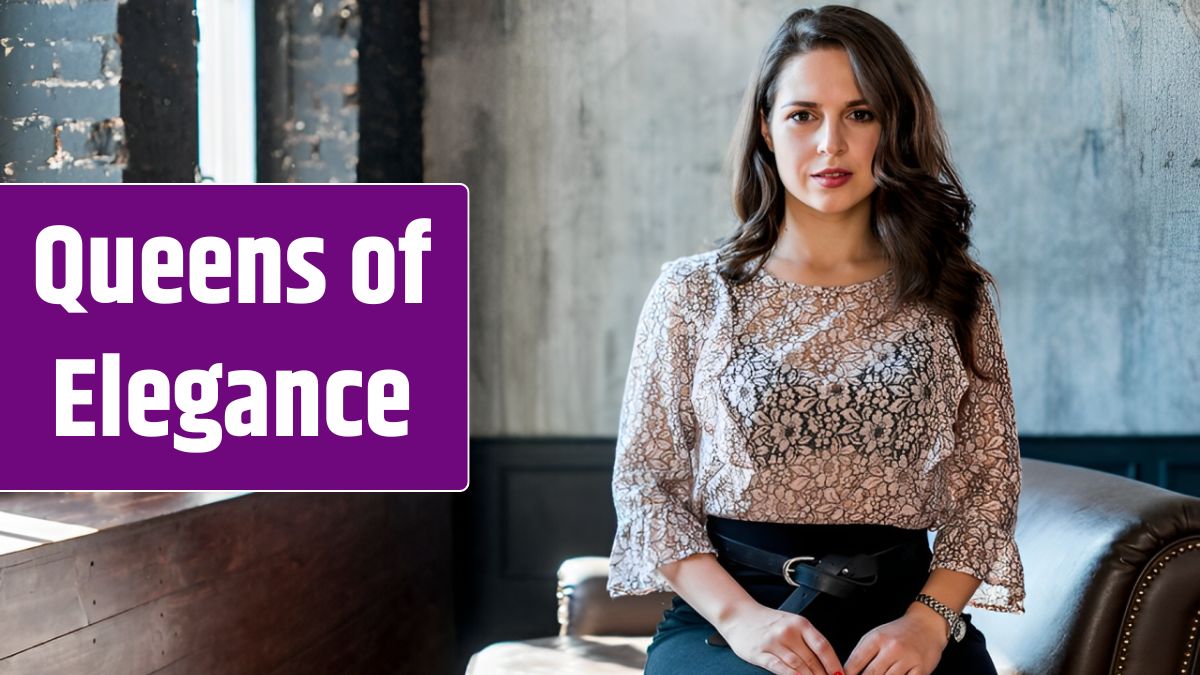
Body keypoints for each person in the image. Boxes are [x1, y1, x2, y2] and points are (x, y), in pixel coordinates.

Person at [606, 6, 1025, 675]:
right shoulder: (693, 292)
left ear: (894, 129)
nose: (831, 143)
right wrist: (742, 619)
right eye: (803, 115)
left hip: (905, 619)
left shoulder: (954, 293)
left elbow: (987, 486)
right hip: (733, 616)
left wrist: (929, 621)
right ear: (767, 131)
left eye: (860, 114)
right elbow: (647, 485)